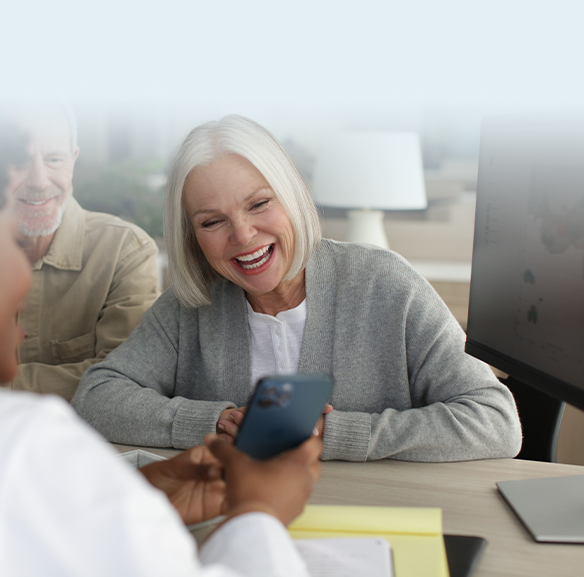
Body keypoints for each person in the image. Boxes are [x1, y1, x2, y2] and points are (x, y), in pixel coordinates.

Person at [0, 119, 321, 577]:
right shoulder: (14, 448)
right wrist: (261, 512)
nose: (29, 277)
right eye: (10, 239)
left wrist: (116, 504)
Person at [73, 114, 522, 462]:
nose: (244, 235)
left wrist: (337, 434)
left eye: (259, 204)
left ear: (292, 196)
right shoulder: (189, 305)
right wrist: (213, 421)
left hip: (370, 517)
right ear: (192, 235)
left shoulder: (385, 285)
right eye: (213, 221)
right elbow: (97, 398)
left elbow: (496, 422)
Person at [9, 105, 159, 400]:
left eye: (54, 159)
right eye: (19, 161)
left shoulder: (125, 252)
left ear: (73, 161)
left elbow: (125, 381)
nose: (39, 180)